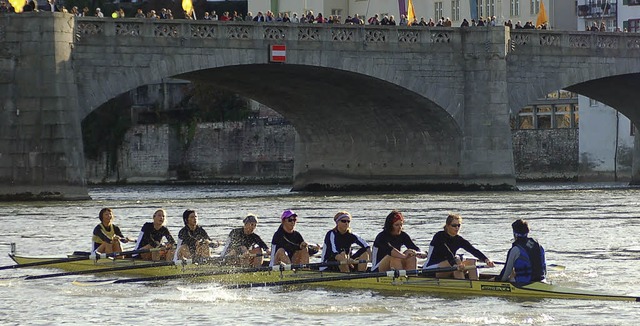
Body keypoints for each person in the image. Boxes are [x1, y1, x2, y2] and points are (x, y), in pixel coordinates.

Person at [423, 214, 494, 280]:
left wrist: (486, 260)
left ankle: (475, 284)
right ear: (447, 226)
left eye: (458, 225)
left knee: (472, 262)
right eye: (454, 225)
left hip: (450, 265)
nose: (457, 228)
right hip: (431, 269)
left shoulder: (458, 239)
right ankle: (464, 286)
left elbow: (473, 250)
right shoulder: (439, 236)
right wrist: (455, 264)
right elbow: (447, 252)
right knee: (457, 262)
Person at [496, 219, 546, 283]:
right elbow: (544, 268)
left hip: (524, 283)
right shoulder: (539, 246)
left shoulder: (515, 249)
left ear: (515, 233)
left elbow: (505, 275)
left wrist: (495, 279)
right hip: (541, 280)